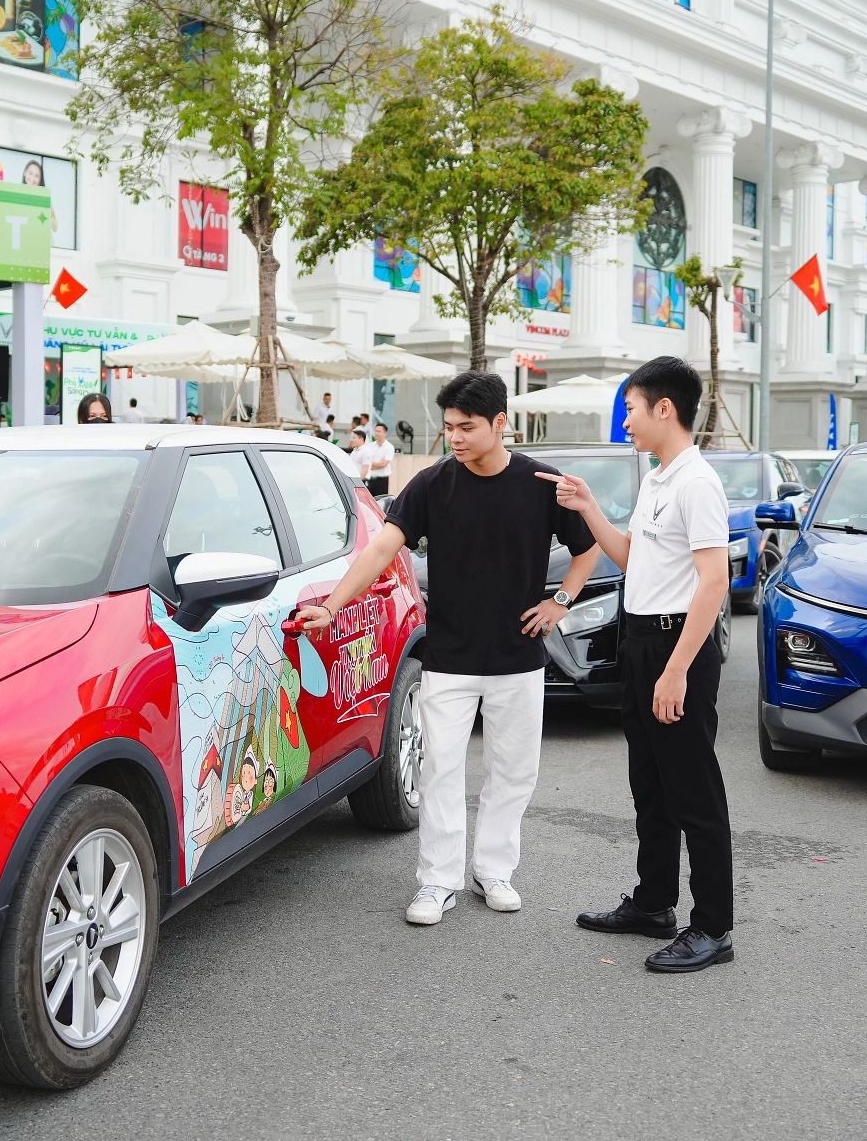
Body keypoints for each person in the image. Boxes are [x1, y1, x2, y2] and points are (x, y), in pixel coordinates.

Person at [296, 372, 601, 926]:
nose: (455, 437)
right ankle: (437, 881)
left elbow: (587, 548)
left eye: (467, 427)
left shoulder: (541, 483)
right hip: (449, 657)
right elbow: (382, 550)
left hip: (519, 657)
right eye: (450, 426)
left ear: (500, 423)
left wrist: (560, 601)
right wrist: (334, 605)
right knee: (439, 769)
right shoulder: (432, 484)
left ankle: (494, 871)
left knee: (514, 771)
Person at [546, 355, 734, 973]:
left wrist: (676, 670)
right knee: (649, 784)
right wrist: (588, 506)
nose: (625, 420)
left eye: (631, 408)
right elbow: (633, 558)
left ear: (664, 409)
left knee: (693, 791)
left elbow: (713, 582)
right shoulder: (658, 479)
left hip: (678, 647)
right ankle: (654, 903)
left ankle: (713, 928)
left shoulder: (697, 483)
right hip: (641, 641)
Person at [356, 420, 395, 498]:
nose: (376, 433)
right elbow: (364, 461)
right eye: (375, 431)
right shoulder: (370, 446)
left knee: (380, 501)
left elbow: (383, 464)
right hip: (369, 479)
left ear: (385, 433)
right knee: (368, 500)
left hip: (382, 480)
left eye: (379, 431)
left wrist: (369, 465)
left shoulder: (389, 447)